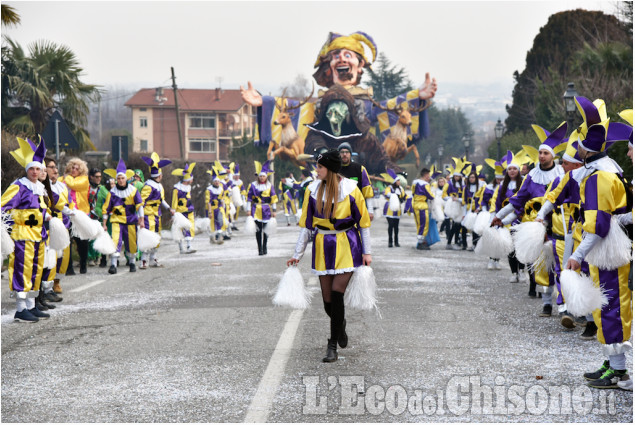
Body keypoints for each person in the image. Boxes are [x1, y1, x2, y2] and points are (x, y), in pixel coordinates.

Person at [241, 31, 437, 175]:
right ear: (329, 66)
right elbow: (295, 109)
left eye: (348, 55)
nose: (341, 59)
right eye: (336, 56)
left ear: (360, 65)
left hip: (358, 163)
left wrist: (418, 95)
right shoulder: (320, 104)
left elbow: (393, 107)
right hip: (325, 163)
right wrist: (264, 102)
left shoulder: (366, 102)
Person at [563, 97, 633, 390]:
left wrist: (577, 255)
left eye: (577, 143)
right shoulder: (604, 169)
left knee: (611, 306)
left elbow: (598, 225)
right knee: (607, 305)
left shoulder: (598, 176)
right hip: (609, 247)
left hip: (606, 249)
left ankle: (620, 371)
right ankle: (612, 362)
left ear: (584, 148)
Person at [287, 149, 372, 363]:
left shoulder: (352, 190)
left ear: (331, 169)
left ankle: (332, 345)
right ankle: (340, 326)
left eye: (320, 167)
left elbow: (363, 224)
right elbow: (306, 225)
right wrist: (297, 255)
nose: (316, 170)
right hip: (322, 245)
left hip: (347, 244)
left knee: (336, 294)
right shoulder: (312, 190)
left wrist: (367, 253)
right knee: (327, 301)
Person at [493, 123, 566, 315]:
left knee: (561, 265)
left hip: (560, 225)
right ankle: (546, 302)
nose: (542, 156)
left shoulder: (562, 175)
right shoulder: (531, 177)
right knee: (542, 265)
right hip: (537, 227)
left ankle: (565, 305)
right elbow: (517, 200)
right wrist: (499, 217)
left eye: (545, 153)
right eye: (540, 152)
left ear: (552, 156)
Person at [1, 137, 51, 322]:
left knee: (36, 270)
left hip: (38, 234)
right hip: (22, 234)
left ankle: (31, 305)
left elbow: (40, 210)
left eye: (38, 169)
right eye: (32, 168)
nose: (35, 172)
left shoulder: (40, 188)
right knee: (22, 268)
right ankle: (20, 308)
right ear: (27, 169)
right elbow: (3, 206)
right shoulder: (19, 186)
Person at [102, 158, 144, 274]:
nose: (120, 181)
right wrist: (104, 223)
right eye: (118, 179)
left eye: (122, 178)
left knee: (132, 241)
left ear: (126, 179)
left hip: (131, 220)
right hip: (116, 220)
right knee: (115, 240)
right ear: (116, 180)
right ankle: (113, 265)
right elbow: (106, 209)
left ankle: (131, 262)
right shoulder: (112, 193)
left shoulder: (134, 191)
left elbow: (139, 206)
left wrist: (141, 220)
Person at [490, 151, 526, 284]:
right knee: (510, 247)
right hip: (506, 221)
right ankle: (514, 272)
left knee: (520, 246)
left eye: (514, 168)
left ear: (518, 170)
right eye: (509, 169)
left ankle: (522, 271)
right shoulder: (502, 187)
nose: (511, 171)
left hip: (520, 218)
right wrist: (498, 218)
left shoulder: (523, 185)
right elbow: (499, 203)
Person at [139, 152, 173, 268]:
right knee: (148, 237)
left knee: (157, 236)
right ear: (160, 175)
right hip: (148, 215)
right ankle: (144, 260)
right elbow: (141, 203)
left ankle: (153, 258)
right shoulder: (148, 186)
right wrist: (141, 218)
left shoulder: (159, 186)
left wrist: (169, 208)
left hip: (157, 215)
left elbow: (161, 200)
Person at [60, 157, 90, 274]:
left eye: (77, 168)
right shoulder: (63, 179)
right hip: (66, 213)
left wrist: (66, 177)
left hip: (80, 213)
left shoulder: (84, 180)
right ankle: (69, 267)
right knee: (67, 239)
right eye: (72, 167)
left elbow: (72, 184)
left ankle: (83, 263)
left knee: (82, 240)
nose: (74, 170)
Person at [247, 160, 278, 255]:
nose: (262, 178)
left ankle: (265, 247)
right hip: (256, 210)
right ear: (258, 176)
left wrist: (274, 210)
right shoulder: (253, 185)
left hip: (266, 210)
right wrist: (248, 210)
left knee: (266, 230)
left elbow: (273, 198)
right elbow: (248, 198)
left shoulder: (270, 186)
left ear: (266, 176)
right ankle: (259, 248)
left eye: (263, 176)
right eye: (260, 176)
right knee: (258, 230)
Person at [338, 142, 375, 220]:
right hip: (339, 211)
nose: (344, 154)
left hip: (358, 210)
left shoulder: (360, 169)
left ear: (350, 154)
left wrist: (370, 211)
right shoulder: (334, 170)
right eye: (342, 152)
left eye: (347, 152)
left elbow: (367, 191)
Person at [171, 163, 197, 254]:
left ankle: (189, 245)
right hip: (180, 212)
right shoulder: (177, 189)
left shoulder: (189, 187)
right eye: (191, 178)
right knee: (180, 229)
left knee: (189, 227)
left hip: (189, 210)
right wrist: (173, 212)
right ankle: (181, 248)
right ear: (188, 179)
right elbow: (174, 201)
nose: (193, 180)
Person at [87, 167, 109, 266]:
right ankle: (90, 257)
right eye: (96, 177)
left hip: (99, 215)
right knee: (91, 236)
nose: (99, 179)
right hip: (89, 214)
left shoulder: (102, 188)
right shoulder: (86, 187)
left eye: (100, 177)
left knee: (99, 235)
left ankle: (98, 256)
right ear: (91, 177)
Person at [412, 167, 436, 250]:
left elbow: (412, 193)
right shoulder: (425, 185)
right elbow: (430, 196)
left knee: (419, 224)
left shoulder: (415, 183)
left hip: (415, 204)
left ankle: (420, 241)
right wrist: (434, 194)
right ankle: (420, 242)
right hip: (422, 205)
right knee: (424, 224)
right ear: (425, 175)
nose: (429, 177)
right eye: (428, 175)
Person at [381, 169, 406, 247]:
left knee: (396, 226)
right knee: (390, 225)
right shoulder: (389, 188)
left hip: (397, 209)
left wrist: (402, 199)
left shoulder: (401, 189)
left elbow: (404, 196)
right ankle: (390, 241)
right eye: (398, 181)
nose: (399, 182)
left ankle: (396, 241)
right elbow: (386, 193)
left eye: (399, 181)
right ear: (394, 181)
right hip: (389, 209)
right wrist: (394, 195)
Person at [206, 166, 227, 244]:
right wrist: (210, 212)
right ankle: (212, 237)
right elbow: (208, 201)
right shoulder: (209, 190)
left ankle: (220, 237)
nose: (217, 182)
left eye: (218, 181)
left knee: (220, 222)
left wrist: (223, 208)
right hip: (212, 208)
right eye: (215, 181)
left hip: (219, 208)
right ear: (213, 182)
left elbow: (222, 199)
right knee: (212, 223)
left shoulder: (221, 189)